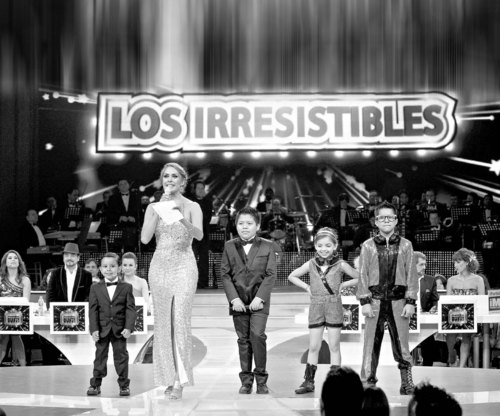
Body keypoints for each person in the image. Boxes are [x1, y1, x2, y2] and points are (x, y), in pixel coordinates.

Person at [141, 162, 203, 400]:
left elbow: (199, 234)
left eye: (174, 176)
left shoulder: (192, 206)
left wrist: (179, 216)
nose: (169, 179)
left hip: (184, 266)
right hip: (159, 268)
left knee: (180, 321)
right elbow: (145, 239)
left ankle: (180, 380)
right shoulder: (153, 207)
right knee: (163, 324)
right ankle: (167, 377)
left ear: (183, 181)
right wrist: (158, 209)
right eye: (166, 176)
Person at [356, 201, 418, 395]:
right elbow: (362, 274)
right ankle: (368, 380)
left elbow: (411, 275)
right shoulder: (367, 246)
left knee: (402, 343)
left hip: (399, 302)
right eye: (381, 217)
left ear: (396, 220)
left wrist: (410, 301)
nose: (386, 221)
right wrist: (364, 301)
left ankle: (406, 382)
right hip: (374, 302)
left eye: (390, 217)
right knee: (370, 344)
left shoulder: (406, 245)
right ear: (375, 221)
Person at [288, 227, 359, 394]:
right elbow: (292, 276)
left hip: (334, 305)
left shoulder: (340, 264)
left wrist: (344, 284)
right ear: (315, 246)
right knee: (314, 346)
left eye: (328, 245)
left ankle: (336, 382)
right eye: (320, 245)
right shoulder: (311, 264)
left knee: (334, 346)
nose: (323, 249)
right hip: (316, 306)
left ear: (335, 246)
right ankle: (308, 382)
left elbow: (360, 277)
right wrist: (307, 287)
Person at [220, 207, 277, 395]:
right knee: (243, 340)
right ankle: (246, 381)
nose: (245, 227)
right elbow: (225, 275)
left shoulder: (268, 245)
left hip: (260, 301)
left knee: (257, 335)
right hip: (238, 302)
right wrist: (234, 299)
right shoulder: (229, 246)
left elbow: (271, 274)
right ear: (236, 225)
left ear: (257, 226)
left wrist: (260, 298)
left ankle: (261, 380)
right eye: (241, 223)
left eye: (249, 223)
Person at [87, 252, 136, 397]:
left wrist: (128, 327)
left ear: (119, 268)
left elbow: (130, 309)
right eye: (105, 266)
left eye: (112, 266)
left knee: (121, 357)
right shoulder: (95, 288)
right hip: (102, 329)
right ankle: (95, 384)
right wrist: (94, 329)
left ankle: (124, 385)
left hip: (119, 330)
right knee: (100, 357)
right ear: (100, 269)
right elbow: (93, 310)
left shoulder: (126, 287)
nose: (109, 269)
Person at [446, 248, 485, 367]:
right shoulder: (451, 280)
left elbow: (482, 301)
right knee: (450, 333)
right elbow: (447, 303)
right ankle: (451, 353)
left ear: (467, 262)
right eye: (454, 262)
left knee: (466, 335)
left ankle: (461, 367)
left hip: (471, 316)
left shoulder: (478, 280)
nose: (455, 265)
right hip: (454, 315)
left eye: (458, 262)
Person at [0, 250, 31, 366]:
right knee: (4, 337)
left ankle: (23, 367)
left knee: (15, 335)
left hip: (18, 315)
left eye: (15, 258)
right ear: (5, 262)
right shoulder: (0, 279)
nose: (13, 260)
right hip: (2, 315)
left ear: (19, 262)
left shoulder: (25, 280)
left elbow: (25, 302)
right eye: (10, 258)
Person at [46, 242, 93, 307]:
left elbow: (88, 297)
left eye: (72, 255)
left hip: (79, 311)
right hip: (59, 311)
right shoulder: (55, 274)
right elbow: (50, 296)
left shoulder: (86, 275)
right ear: (63, 257)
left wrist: (81, 310)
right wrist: (51, 310)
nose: (69, 258)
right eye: (66, 255)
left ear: (78, 258)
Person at [415, 252, 440, 366]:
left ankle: (427, 368)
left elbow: (435, 300)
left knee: (429, 343)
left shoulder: (430, 280)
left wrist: (434, 307)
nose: (424, 267)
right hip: (406, 319)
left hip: (424, 318)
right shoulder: (401, 280)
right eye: (421, 264)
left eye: (425, 264)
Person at [108, 179, 141, 252]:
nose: (123, 185)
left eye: (125, 183)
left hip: (132, 228)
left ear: (129, 185)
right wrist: (119, 217)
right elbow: (109, 213)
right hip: (118, 227)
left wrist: (134, 218)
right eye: (121, 184)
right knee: (116, 250)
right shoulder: (113, 198)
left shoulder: (136, 197)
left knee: (130, 251)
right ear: (118, 187)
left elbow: (140, 212)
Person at [190, 180, 213, 289]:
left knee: (204, 259)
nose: (200, 190)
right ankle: (191, 282)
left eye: (202, 188)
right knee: (192, 258)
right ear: (194, 190)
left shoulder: (208, 202)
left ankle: (203, 283)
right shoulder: (190, 202)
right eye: (198, 188)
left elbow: (207, 218)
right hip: (192, 235)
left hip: (204, 234)